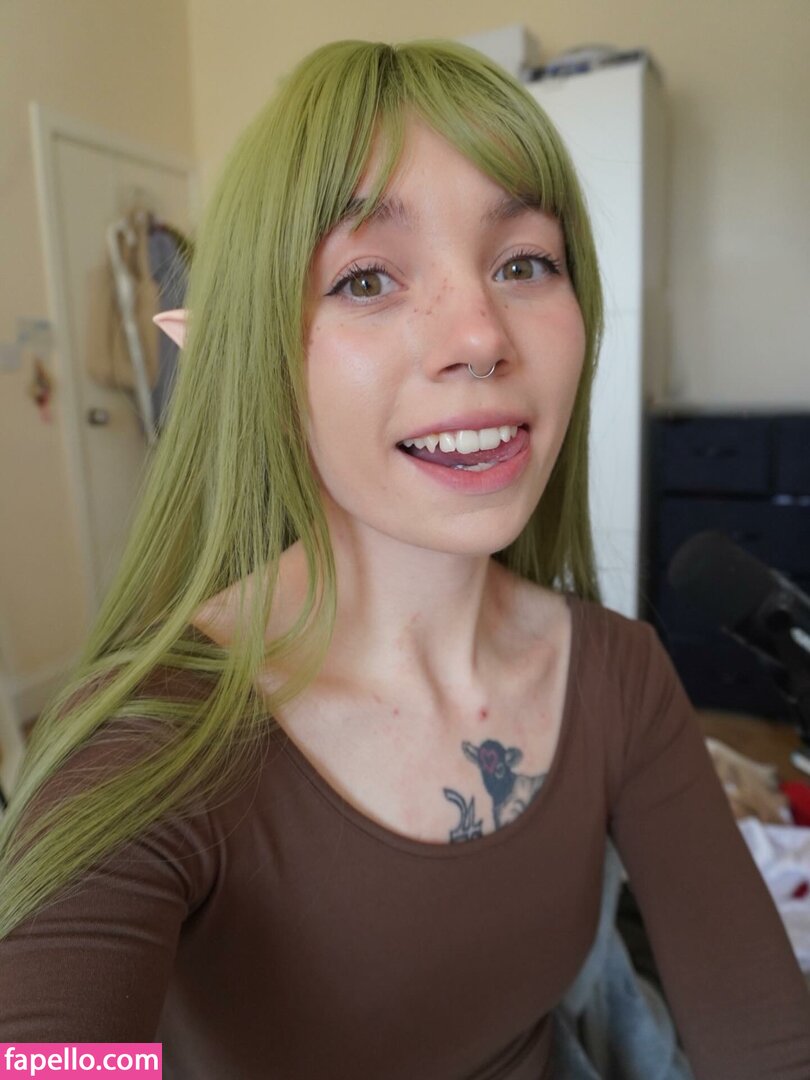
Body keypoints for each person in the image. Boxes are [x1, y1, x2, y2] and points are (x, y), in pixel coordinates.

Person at [0, 38, 808, 1080]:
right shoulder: (149, 742)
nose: (481, 335)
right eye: (367, 277)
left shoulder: (620, 676)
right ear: (256, 356)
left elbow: (766, 1039)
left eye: (524, 263)